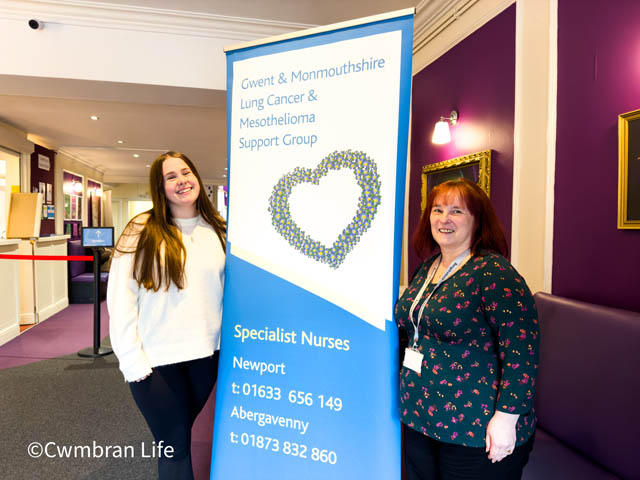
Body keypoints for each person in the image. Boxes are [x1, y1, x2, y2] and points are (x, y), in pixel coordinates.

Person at [395, 178, 539, 480]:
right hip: (421, 415)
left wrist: (506, 419)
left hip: (475, 427)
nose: (444, 219)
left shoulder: (493, 272)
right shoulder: (428, 266)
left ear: (477, 220)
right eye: (437, 210)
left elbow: (522, 351)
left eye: (457, 211)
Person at [107, 151, 226, 479]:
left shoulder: (217, 230)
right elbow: (120, 298)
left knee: (181, 436)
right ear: (160, 188)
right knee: (174, 445)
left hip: (206, 357)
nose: (181, 180)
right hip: (156, 362)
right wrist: (132, 362)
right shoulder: (141, 229)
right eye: (170, 176)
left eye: (186, 172)